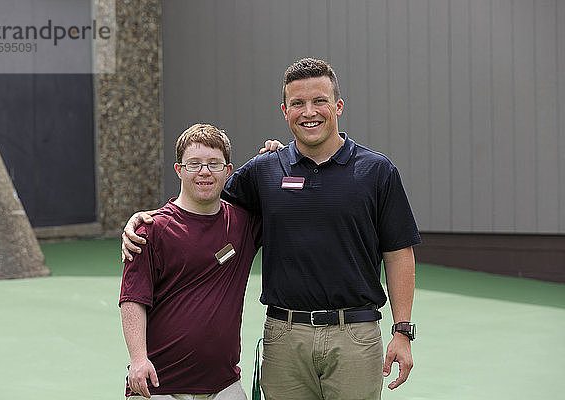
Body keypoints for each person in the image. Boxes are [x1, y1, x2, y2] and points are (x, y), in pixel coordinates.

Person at [123, 58, 421, 400]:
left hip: (355, 335)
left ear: (338, 105)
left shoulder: (377, 170)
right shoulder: (264, 170)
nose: (309, 111)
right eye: (298, 103)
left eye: (319, 101)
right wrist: (149, 218)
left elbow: (399, 253)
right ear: (285, 111)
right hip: (284, 337)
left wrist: (402, 331)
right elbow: (203, 195)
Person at [119, 123, 268, 399]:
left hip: (224, 385)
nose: (204, 172)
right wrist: (138, 359)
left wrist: (278, 157)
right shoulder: (150, 229)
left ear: (228, 170)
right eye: (194, 164)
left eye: (214, 164)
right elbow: (133, 299)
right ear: (179, 170)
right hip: (160, 385)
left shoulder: (243, 224)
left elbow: (284, 197)